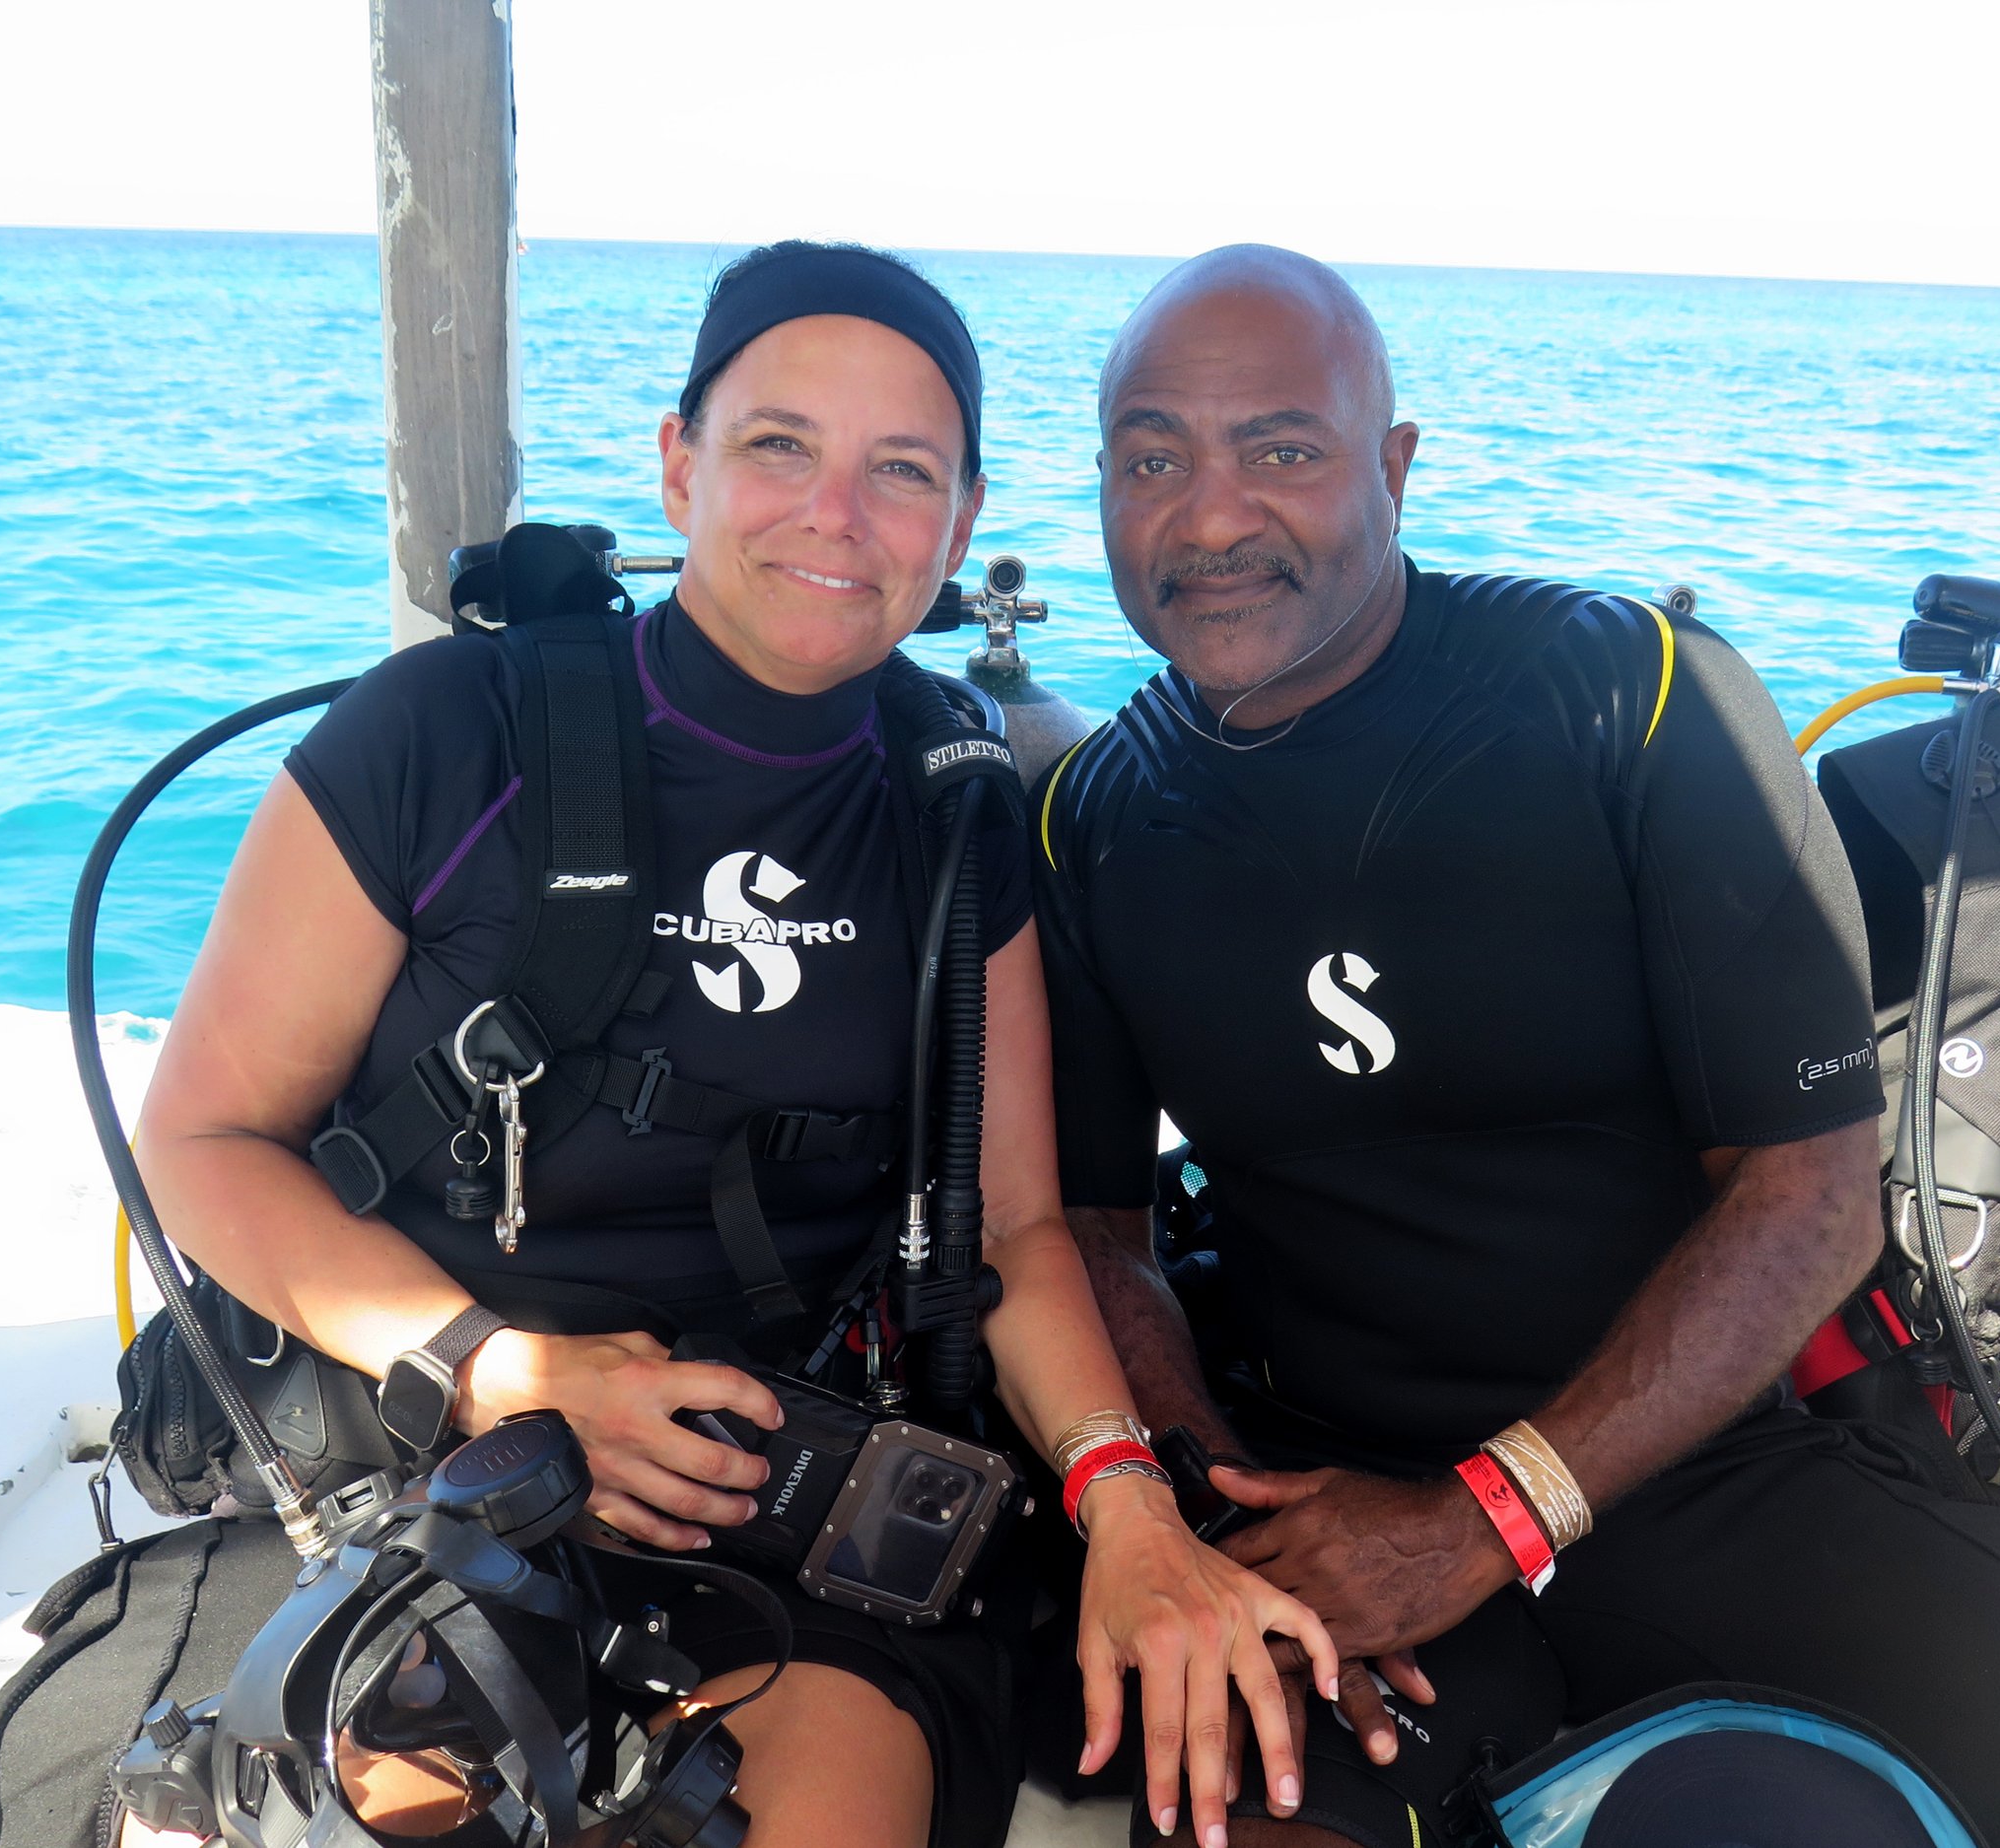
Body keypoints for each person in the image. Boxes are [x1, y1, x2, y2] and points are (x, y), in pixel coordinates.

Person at [1030, 243, 2000, 1848]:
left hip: (1690, 1465)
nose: (1211, 519)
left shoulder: (1628, 698)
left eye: (1281, 448)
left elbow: (1812, 1200)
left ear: (1394, 466)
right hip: (1315, 1479)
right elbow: (1099, 1235)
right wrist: (1214, 1518)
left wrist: (1483, 1522)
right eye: (1152, 460)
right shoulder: (1091, 817)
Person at [126, 241, 1335, 1848]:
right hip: (444, 1449)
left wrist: (1124, 1504)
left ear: (962, 521)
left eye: (900, 470)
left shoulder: (958, 813)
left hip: (795, 1502)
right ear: (680, 464)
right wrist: (496, 1370)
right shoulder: (442, 736)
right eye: (779, 445)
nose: (835, 514)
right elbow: (204, 1138)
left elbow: (1018, 1227)